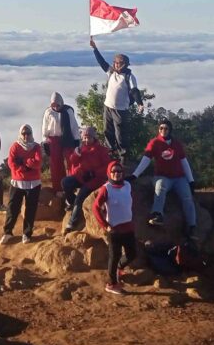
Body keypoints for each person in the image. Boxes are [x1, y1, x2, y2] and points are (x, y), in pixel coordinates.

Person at [132, 118, 197, 234]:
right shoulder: (155, 142)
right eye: (161, 128)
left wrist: (191, 181)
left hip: (179, 178)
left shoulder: (176, 144)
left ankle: (192, 226)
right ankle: (157, 214)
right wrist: (135, 175)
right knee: (160, 188)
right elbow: (146, 160)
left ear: (170, 130)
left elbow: (184, 162)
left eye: (166, 128)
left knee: (187, 197)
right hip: (162, 176)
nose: (163, 130)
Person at [90, 37, 142, 158]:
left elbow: (134, 90)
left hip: (120, 109)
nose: (117, 65)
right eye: (115, 62)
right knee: (107, 131)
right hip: (108, 106)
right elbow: (102, 63)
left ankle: (122, 155)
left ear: (125, 64)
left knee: (120, 134)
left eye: (119, 63)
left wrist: (139, 103)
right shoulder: (111, 72)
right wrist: (95, 49)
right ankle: (109, 152)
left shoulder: (129, 77)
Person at [93, 160, 137, 295]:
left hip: (128, 227)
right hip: (114, 229)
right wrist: (105, 225)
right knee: (115, 256)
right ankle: (111, 284)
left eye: (119, 171)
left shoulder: (128, 185)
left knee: (132, 253)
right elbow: (95, 207)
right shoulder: (106, 188)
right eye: (114, 171)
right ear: (109, 173)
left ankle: (120, 268)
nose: (117, 174)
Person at [61, 126, 112, 234]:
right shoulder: (81, 148)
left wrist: (93, 173)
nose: (85, 140)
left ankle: (72, 222)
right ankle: (72, 202)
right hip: (81, 177)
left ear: (93, 138)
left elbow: (107, 167)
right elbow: (73, 162)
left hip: (94, 180)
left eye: (88, 137)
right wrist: (76, 154)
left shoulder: (102, 150)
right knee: (65, 182)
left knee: (81, 196)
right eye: (84, 137)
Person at [1, 124, 43, 244]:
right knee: (12, 208)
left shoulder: (36, 147)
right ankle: (7, 232)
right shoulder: (15, 146)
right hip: (17, 182)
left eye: (28, 133)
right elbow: (11, 163)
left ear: (31, 134)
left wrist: (23, 162)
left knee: (31, 209)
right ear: (20, 134)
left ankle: (27, 234)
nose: (26, 136)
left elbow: (38, 163)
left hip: (33, 183)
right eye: (24, 133)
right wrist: (27, 166)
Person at [41, 92, 80, 193]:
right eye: (53, 104)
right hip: (53, 139)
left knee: (72, 162)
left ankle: (72, 186)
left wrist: (76, 141)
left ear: (61, 103)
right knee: (56, 165)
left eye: (57, 104)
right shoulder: (48, 112)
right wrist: (45, 141)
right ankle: (58, 189)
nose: (55, 106)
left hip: (68, 138)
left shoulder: (68, 111)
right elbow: (45, 127)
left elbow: (74, 127)